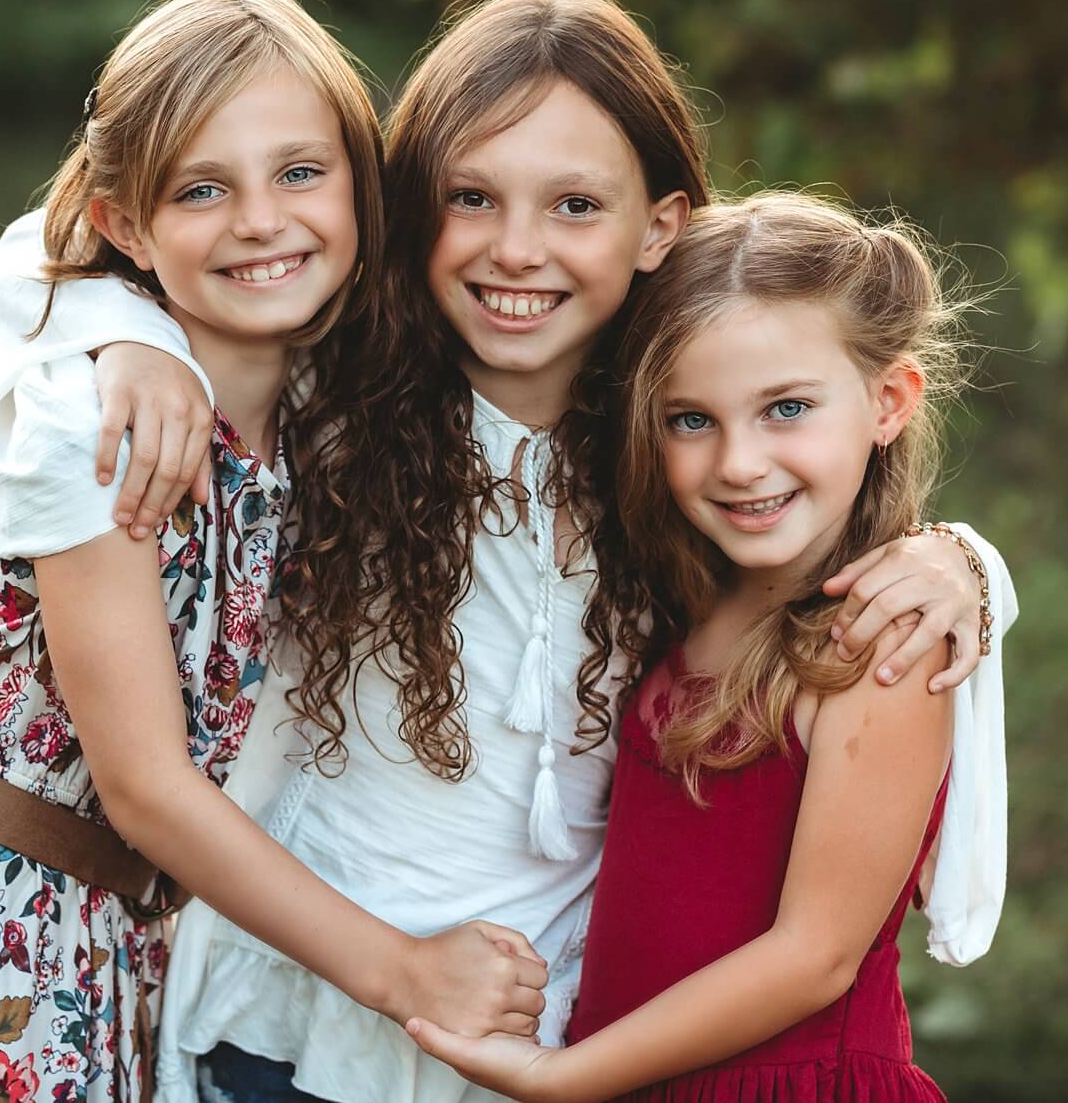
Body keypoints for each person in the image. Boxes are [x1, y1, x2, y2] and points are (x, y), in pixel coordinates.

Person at [31, 0, 1013, 1103]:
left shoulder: (674, 435)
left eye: (574, 207)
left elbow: (822, 476)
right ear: (409, 207)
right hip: (302, 1027)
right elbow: (55, 250)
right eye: (470, 198)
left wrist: (967, 566)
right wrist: (119, 330)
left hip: (555, 1039)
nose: (516, 251)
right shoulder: (326, 390)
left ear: (660, 227)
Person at [0, 0, 547, 1103]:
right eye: (202, 189)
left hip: (118, 944)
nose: (262, 221)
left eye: (300, 173)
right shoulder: (90, 417)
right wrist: (403, 972)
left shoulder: (322, 405)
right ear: (128, 224)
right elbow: (142, 788)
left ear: (362, 190)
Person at [409, 193, 989, 1101]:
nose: (739, 463)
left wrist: (567, 1076)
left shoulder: (883, 645)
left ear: (888, 402)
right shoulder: (685, 597)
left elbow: (815, 956)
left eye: (786, 408)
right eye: (691, 420)